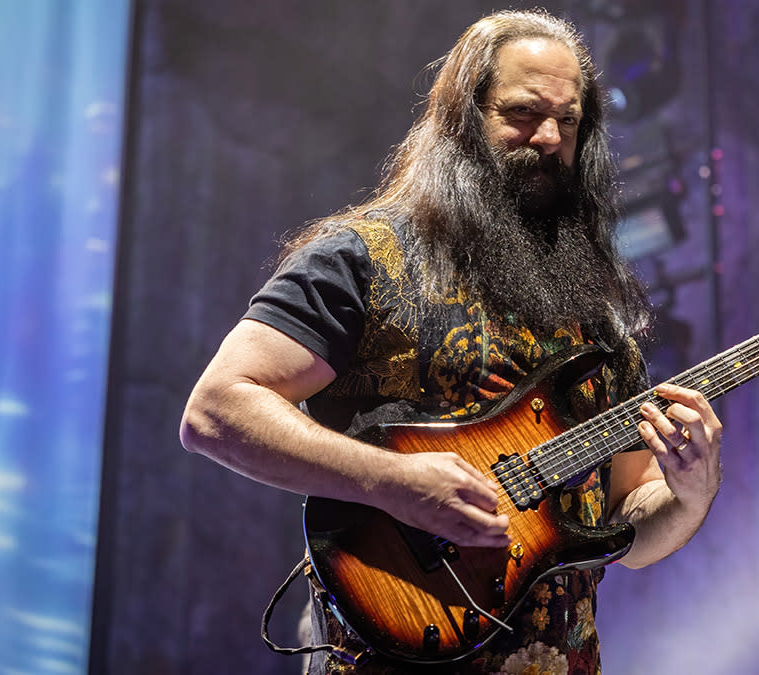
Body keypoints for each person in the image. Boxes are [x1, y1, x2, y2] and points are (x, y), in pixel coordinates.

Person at [179, 8, 722, 674]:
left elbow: (627, 520)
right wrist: (393, 481)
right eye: (524, 113)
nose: (550, 137)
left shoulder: (598, 317)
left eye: (570, 120)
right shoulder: (364, 258)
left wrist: (688, 493)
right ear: (463, 117)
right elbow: (218, 408)